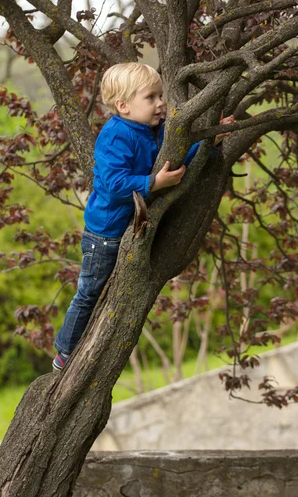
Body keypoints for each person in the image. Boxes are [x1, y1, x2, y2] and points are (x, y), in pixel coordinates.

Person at [53, 62, 232, 371]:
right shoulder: (116, 136)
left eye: (161, 96)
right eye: (151, 98)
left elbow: (170, 165)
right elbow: (112, 184)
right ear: (123, 106)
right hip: (106, 233)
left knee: (118, 291)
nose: (161, 104)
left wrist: (207, 144)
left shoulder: (153, 131)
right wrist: (152, 184)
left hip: (132, 228)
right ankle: (64, 352)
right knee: (90, 292)